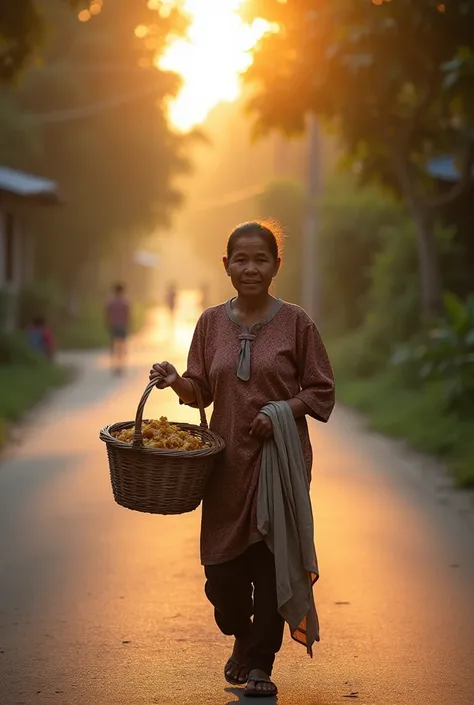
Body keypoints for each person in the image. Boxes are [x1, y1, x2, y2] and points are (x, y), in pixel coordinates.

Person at [149, 221, 335, 697]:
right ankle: (240, 633)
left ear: (276, 266)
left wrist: (280, 414)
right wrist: (175, 381)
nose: (250, 267)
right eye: (241, 259)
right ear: (226, 265)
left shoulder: (297, 323)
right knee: (223, 580)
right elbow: (201, 389)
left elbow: (321, 391)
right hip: (225, 467)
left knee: (269, 566)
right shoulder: (211, 323)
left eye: (261, 259)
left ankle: (259, 666)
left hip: (279, 464)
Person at [105, 283, 130, 375]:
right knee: (122, 346)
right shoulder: (125, 302)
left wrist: (108, 324)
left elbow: (107, 315)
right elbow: (128, 316)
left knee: (113, 347)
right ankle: (121, 366)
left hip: (113, 326)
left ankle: (114, 365)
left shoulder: (110, 302)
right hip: (122, 326)